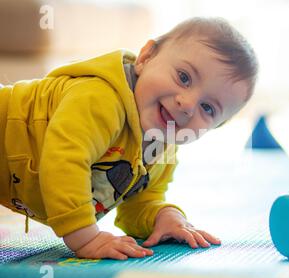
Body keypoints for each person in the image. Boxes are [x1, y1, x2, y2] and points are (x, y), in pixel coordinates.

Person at [0, 17, 258, 260]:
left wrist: (162, 217)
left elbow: (137, 203)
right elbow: (62, 161)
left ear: (215, 127)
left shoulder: (162, 152)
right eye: (184, 77)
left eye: (208, 108)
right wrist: (86, 238)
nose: (187, 104)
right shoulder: (102, 98)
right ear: (146, 57)